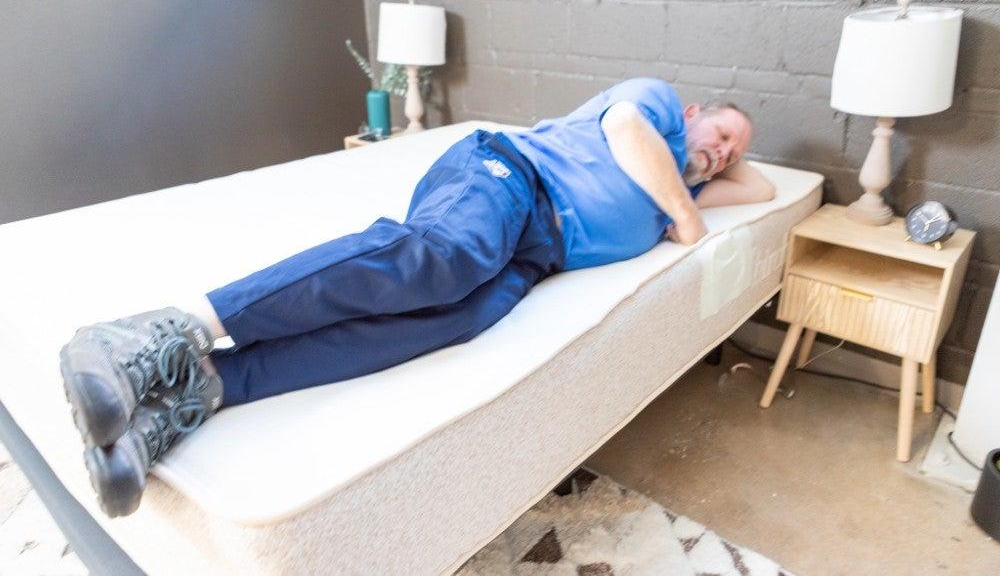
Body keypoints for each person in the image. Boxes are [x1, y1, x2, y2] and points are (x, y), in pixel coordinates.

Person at [59, 78, 774, 517]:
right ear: (692, 109)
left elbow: (767, 190)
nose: (724, 151)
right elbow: (625, 132)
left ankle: (195, 392)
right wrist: (686, 207)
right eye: (721, 132)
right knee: (444, 257)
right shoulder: (652, 108)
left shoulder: (689, 178)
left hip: (534, 258)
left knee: (453, 316)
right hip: (510, 175)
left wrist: (708, 175)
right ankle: (162, 333)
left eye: (733, 150)